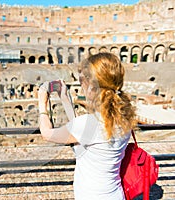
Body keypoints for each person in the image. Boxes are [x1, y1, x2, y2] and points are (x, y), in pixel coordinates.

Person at [38, 52, 136, 200]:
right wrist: (65, 98)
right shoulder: (123, 119)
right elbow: (81, 134)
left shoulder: (89, 124)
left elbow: (46, 133)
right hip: (115, 194)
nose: (80, 83)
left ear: (92, 86)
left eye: (82, 79)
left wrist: (42, 101)